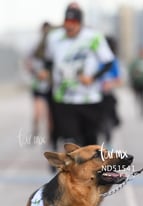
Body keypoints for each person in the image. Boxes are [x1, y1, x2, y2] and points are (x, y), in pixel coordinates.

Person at [40, 5, 114, 146]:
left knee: (90, 143)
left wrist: (92, 78)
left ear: (80, 23)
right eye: (67, 23)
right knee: (71, 141)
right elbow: (48, 61)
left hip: (89, 98)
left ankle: (89, 167)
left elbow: (108, 62)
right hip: (64, 98)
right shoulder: (54, 38)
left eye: (73, 24)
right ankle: (68, 166)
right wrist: (45, 70)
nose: (69, 27)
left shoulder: (93, 37)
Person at [24, 22, 52, 144]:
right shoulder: (35, 46)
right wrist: (36, 73)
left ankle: (51, 139)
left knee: (51, 116)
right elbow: (27, 62)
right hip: (39, 85)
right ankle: (35, 132)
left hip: (52, 85)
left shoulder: (55, 45)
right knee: (38, 113)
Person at [98, 35, 122, 147]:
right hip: (95, 96)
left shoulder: (113, 61)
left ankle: (108, 144)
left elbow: (119, 80)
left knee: (108, 122)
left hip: (107, 96)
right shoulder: (95, 59)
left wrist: (110, 83)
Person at [129, 47, 143, 119]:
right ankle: (138, 109)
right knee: (137, 97)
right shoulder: (135, 61)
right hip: (136, 83)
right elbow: (131, 70)